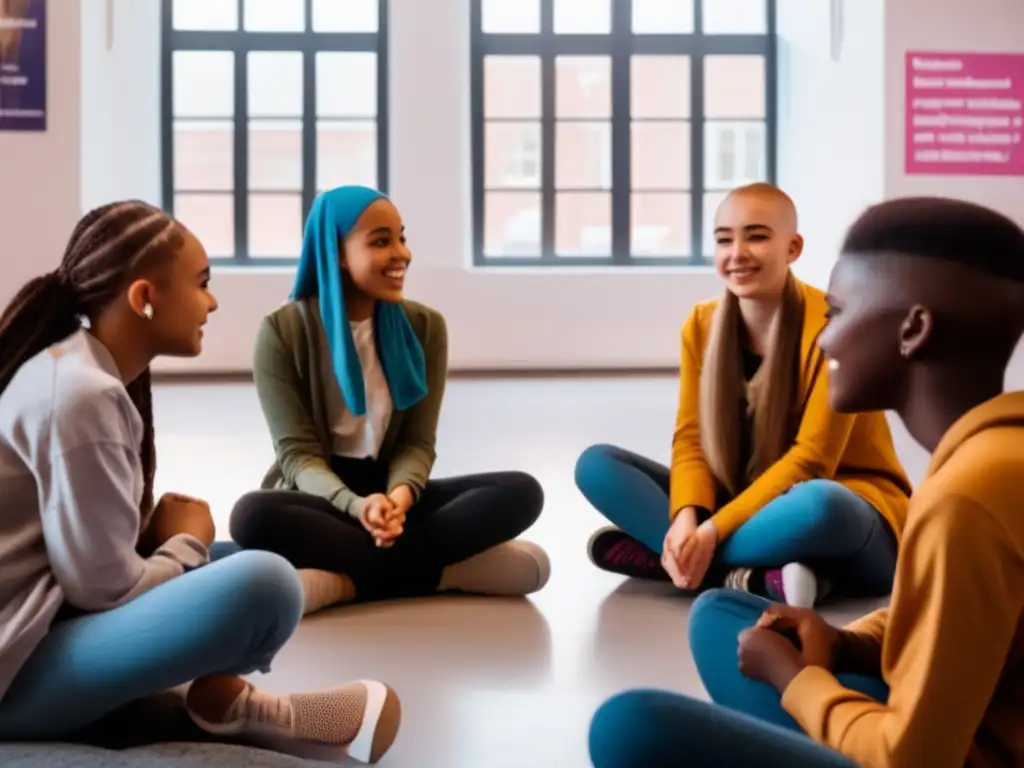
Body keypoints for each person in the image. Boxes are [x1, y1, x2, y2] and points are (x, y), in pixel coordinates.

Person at [588, 195, 1024, 768]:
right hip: (760, 516)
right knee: (718, 613)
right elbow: (954, 625)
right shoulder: (992, 454)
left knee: (628, 728)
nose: (825, 336)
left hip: (942, 744)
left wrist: (796, 680)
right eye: (724, 238)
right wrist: (845, 642)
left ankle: (695, 561)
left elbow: (914, 757)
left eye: (840, 313)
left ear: (913, 329)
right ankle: (736, 571)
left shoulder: (962, 501)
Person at [0, 201, 401, 764]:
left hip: (35, 639)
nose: (211, 301)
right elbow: (102, 590)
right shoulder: (81, 392)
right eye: (201, 284)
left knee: (235, 554)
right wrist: (183, 542)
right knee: (263, 581)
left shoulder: (75, 369)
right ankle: (234, 707)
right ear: (144, 298)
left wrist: (176, 548)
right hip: (14, 678)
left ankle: (226, 706)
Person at [576, 183, 911, 607]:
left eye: (756, 236)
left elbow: (812, 462)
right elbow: (691, 441)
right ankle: (753, 577)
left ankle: (680, 562)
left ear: (793, 248)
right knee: (598, 466)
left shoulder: (838, 327)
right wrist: (685, 518)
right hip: (741, 502)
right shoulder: (702, 323)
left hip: (847, 517)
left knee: (822, 504)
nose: (737, 253)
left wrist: (712, 532)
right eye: (724, 239)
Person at [229, 185, 549, 613]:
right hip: (326, 500)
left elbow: (417, 443)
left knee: (521, 491)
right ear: (337, 252)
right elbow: (298, 457)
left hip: (395, 500)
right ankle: (441, 574)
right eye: (381, 241)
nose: (403, 254)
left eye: (402, 237)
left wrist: (399, 496)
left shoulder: (426, 326)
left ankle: (345, 583)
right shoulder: (281, 332)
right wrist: (356, 506)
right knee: (252, 516)